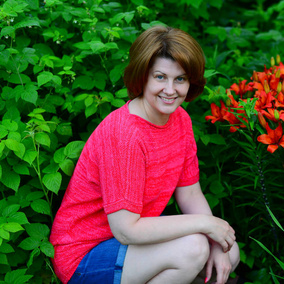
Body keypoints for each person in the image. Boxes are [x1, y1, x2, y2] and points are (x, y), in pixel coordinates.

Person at [50, 25, 240, 284]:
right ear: (143, 77)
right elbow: (126, 230)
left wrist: (217, 240)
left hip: (130, 246)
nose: (170, 90)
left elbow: (190, 193)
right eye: (160, 77)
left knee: (228, 251)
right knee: (194, 248)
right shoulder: (125, 134)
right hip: (85, 256)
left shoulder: (180, 120)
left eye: (180, 79)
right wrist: (207, 225)